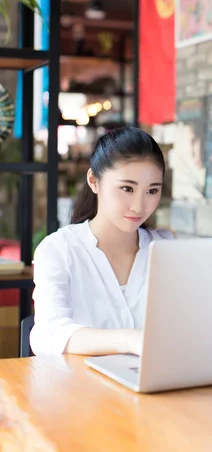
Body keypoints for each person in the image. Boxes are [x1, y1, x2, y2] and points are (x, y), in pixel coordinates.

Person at [30, 127, 173, 356]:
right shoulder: (59, 249)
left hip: (155, 385)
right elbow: (49, 333)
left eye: (152, 190)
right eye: (127, 188)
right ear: (93, 181)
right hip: (78, 387)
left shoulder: (167, 249)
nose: (138, 206)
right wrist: (129, 340)